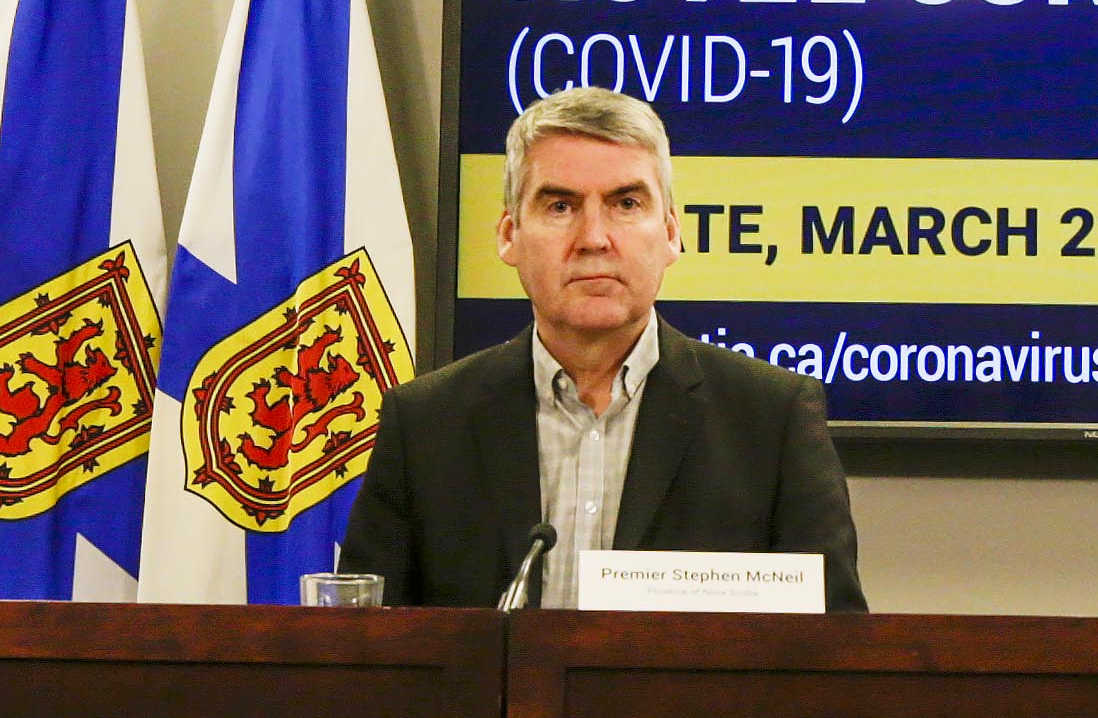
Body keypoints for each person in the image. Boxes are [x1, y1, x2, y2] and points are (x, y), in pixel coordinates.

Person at [337, 87, 865, 609]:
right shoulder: (424, 424)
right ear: (509, 235)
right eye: (560, 205)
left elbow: (835, 646)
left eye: (626, 204)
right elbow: (365, 645)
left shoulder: (771, 420)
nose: (594, 237)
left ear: (671, 234)